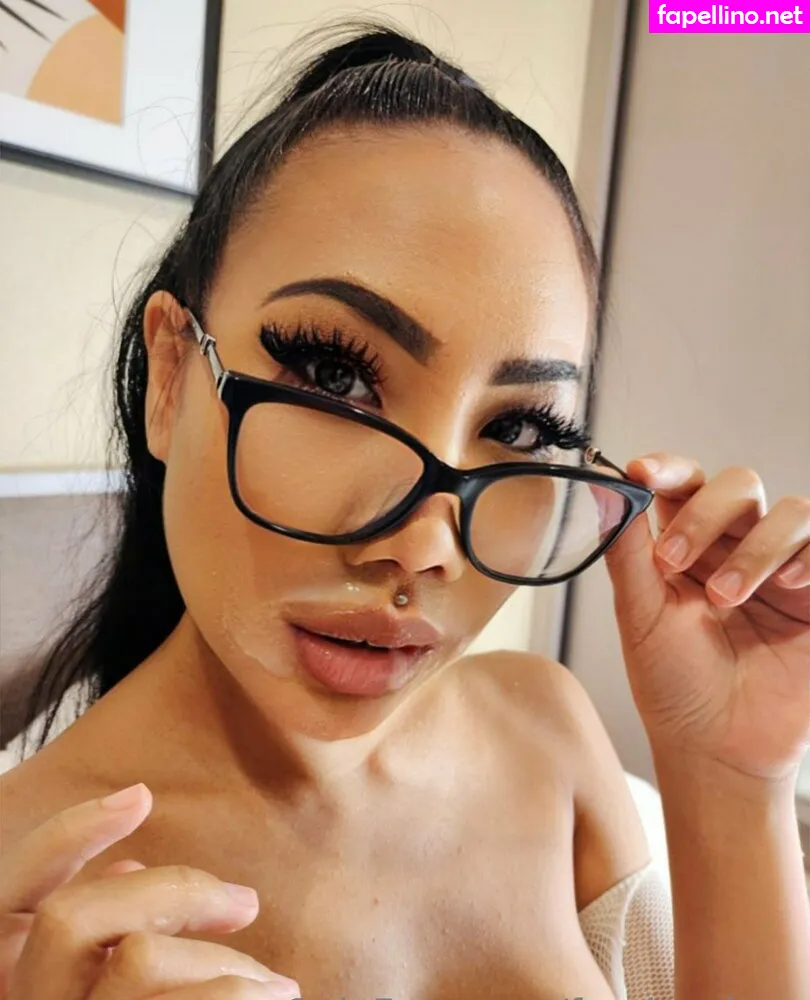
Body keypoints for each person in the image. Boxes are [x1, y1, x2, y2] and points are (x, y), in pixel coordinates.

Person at [1, 20, 808, 1000]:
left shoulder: (545, 731)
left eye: (519, 427)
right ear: (171, 375)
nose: (428, 545)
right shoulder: (22, 890)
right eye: (333, 374)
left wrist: (733, 785)